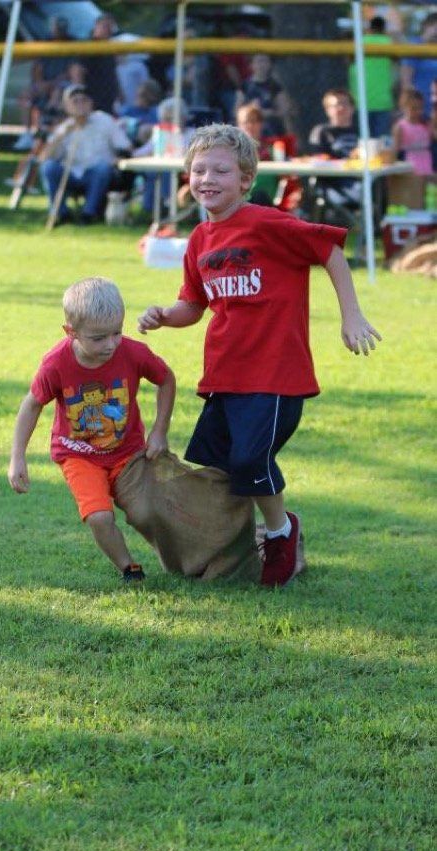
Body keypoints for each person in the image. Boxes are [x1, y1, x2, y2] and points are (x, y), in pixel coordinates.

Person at [137, 124, 380, 588]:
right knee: (219, 467)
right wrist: (165, 316)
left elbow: (328, 250)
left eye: (221, 171)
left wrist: (351, 315)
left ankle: (281, 533)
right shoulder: (200, 240)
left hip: (274, 374)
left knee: (250, 460)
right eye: (199, 170)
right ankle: (235, 548)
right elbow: (194, 303)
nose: (208, 178)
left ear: (246, 179)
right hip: (224, 373)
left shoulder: (267, 223)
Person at [8, 277, 176, 583]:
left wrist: (159, 431)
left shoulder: (133, 353)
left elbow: (166, 379)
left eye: (117, 332)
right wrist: (17, 457)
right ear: (71, 332)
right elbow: (31, 405)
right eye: (99, 338)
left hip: (127, 453)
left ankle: (184, 561)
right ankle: (128, 567)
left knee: (147, 513)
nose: (111, 344)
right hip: (78, 455)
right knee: (99, 516)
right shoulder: (56, 364)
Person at [40, 84, 131, 225]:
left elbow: (125, 146)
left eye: (84, 100)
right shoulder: (64, 128)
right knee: (48, 167)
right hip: (72, 173)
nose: (80, 105)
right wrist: (61, 136)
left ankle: (88, 214)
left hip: (98, 174)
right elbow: (45, 157)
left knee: (102, 168)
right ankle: (61, 213)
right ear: (67, 106)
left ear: (91, 103)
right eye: (75, 101)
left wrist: (118, 159)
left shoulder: (104, 120)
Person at [308, 87, 361, 224]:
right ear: (327, 110)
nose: (340, 108)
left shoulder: (362, 130)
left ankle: (375, 232)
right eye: (335, 105)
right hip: (333, 183)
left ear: (352, 108)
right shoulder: (321, 132)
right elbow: (318, 160)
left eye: (344, 103)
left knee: (375, 190)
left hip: (360, 179)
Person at [348, 15, 396, 138]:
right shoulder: (390, 43)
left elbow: (349, 61)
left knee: (362, 142)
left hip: (360, 100)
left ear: (369, 28)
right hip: (383, 101)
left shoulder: (359, 42)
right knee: (381, 144)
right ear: (383, 29)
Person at [392, 87, 435, 207]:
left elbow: (433, 137)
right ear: (404, 108)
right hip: (411, 166)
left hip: (427, 163)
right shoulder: (400, 127)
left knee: (430, 197)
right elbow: (395, 150)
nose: (418, 112)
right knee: (416, 198)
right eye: (413, 108)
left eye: (420, 108)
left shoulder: (426, 124)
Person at [234, 53, 291, 137]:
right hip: (249, 128)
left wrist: (270, 113)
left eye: (265, 61)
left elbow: (284, 110)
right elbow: (237, 110)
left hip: (271, 128)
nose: (262, 65)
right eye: (259, 61)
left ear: (270, 64)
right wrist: (251, 111)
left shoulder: (275, 86)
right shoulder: (245, 86)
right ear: (251, 65)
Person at [400, 12, 437, 114]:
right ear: (426, 26)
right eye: (434, 27)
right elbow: (406, 82)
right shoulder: (414, 45)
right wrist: (412, 108)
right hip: (419, 108)